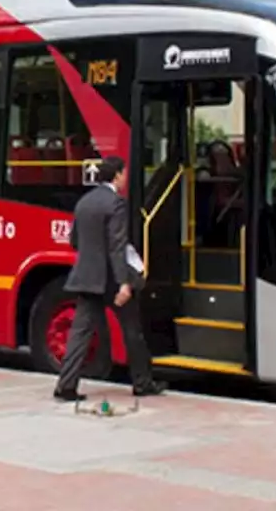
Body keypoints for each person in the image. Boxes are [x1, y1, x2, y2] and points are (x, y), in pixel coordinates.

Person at [53, 155, 167, 402]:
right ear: (116, 175)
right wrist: (125, 282)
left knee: (79, 334)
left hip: (87, 277)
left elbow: (74, 241)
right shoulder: (116, 203)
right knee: (132, 330)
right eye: (124, 173)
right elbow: (117, 245)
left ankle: (66, 385)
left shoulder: (84, 202)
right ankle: (142, 382)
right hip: (111, 280)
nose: (126, 177)